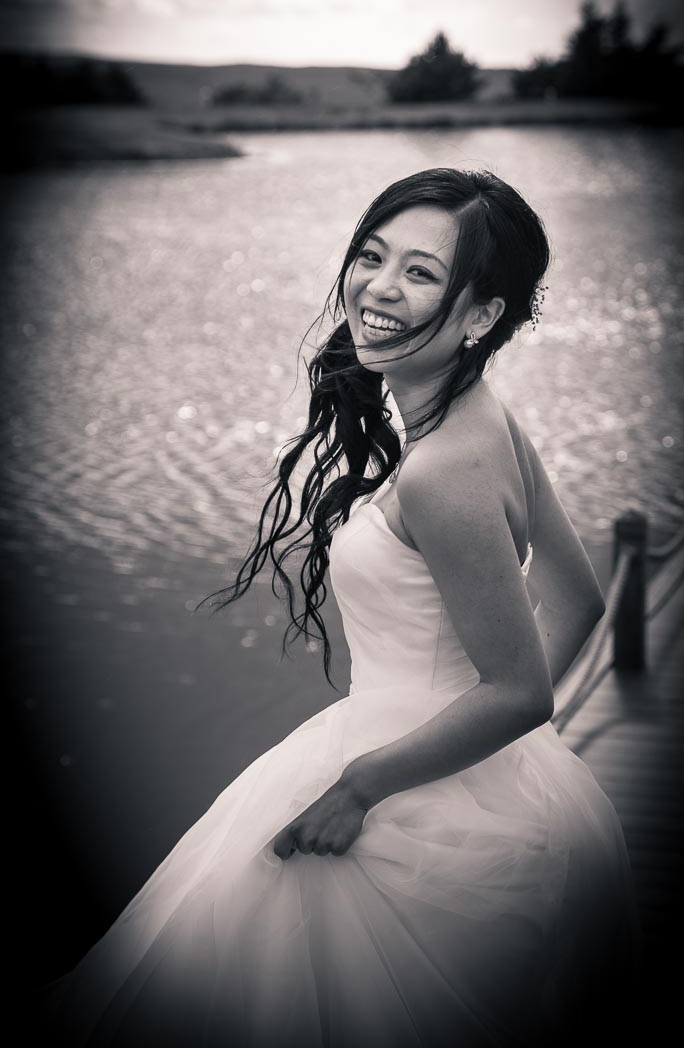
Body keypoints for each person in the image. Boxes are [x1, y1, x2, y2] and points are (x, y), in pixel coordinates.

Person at [38, 168, 641, 1046]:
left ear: (481, 315)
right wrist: (496, 759)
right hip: (480, 781)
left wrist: (362, 787)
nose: (379, 288)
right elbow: (577, 602)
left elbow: (520, 693)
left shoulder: (440, 474)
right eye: (372, 256)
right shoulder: (484, 417)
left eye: (421, 273)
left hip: (399, 804)